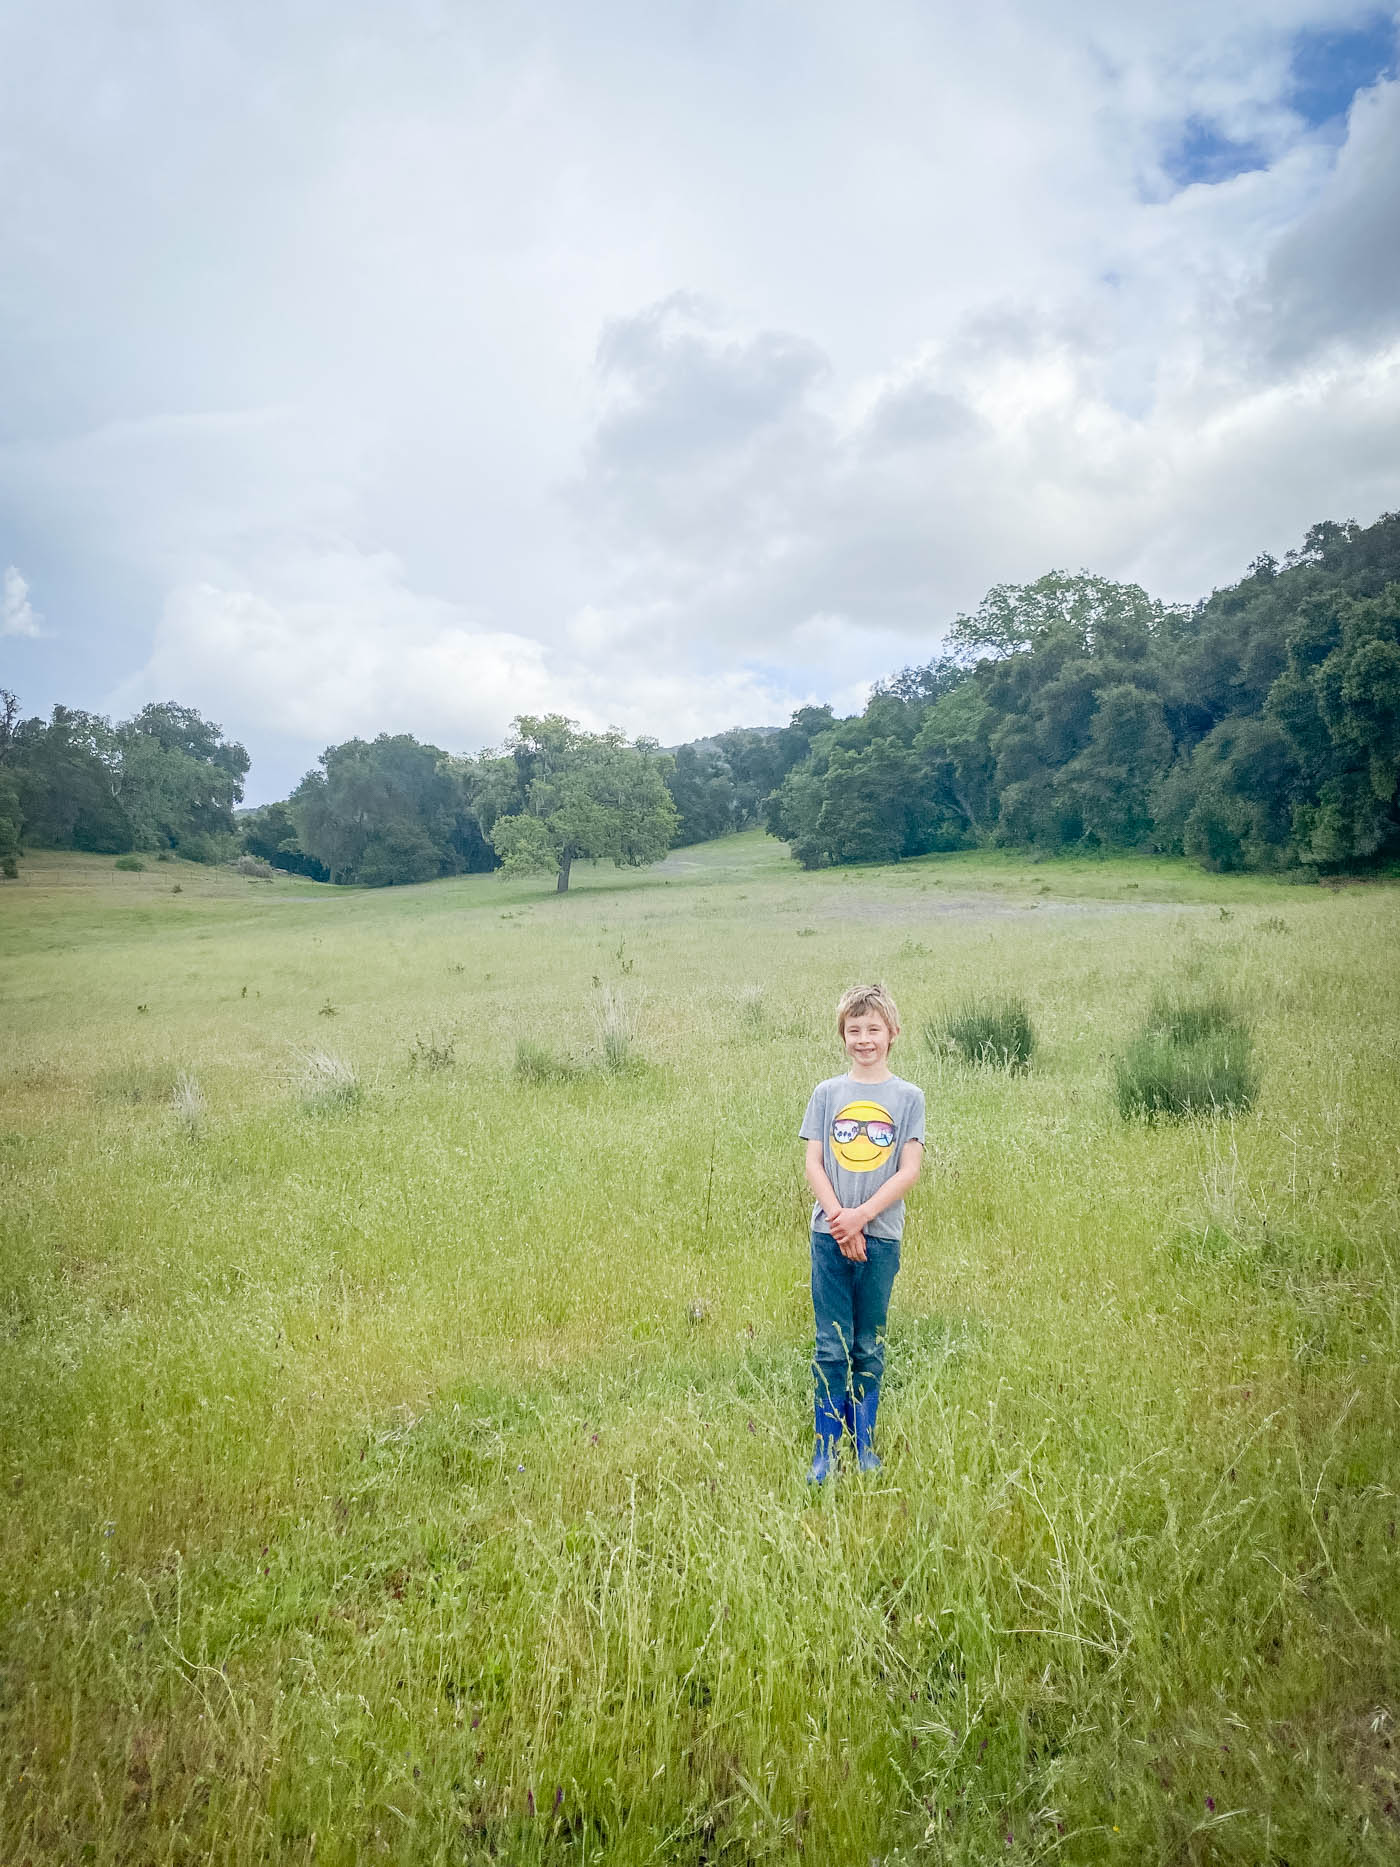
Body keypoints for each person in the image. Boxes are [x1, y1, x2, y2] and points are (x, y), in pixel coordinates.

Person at [799, 983, 925, 1483]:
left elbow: (908, 1170)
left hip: (882, 1236)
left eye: (874, 1029)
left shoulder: (908, 1097)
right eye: (855, 1030)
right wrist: (839, 1218)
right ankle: (825, 1451)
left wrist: (861, 1218)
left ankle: (863, 1443)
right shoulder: (827, 1094)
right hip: (828, 1236)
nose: (864, 1039)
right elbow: (813, 1162)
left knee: (867, 1343)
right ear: (843, 1035)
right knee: (831, 1344)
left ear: (892, 1034)